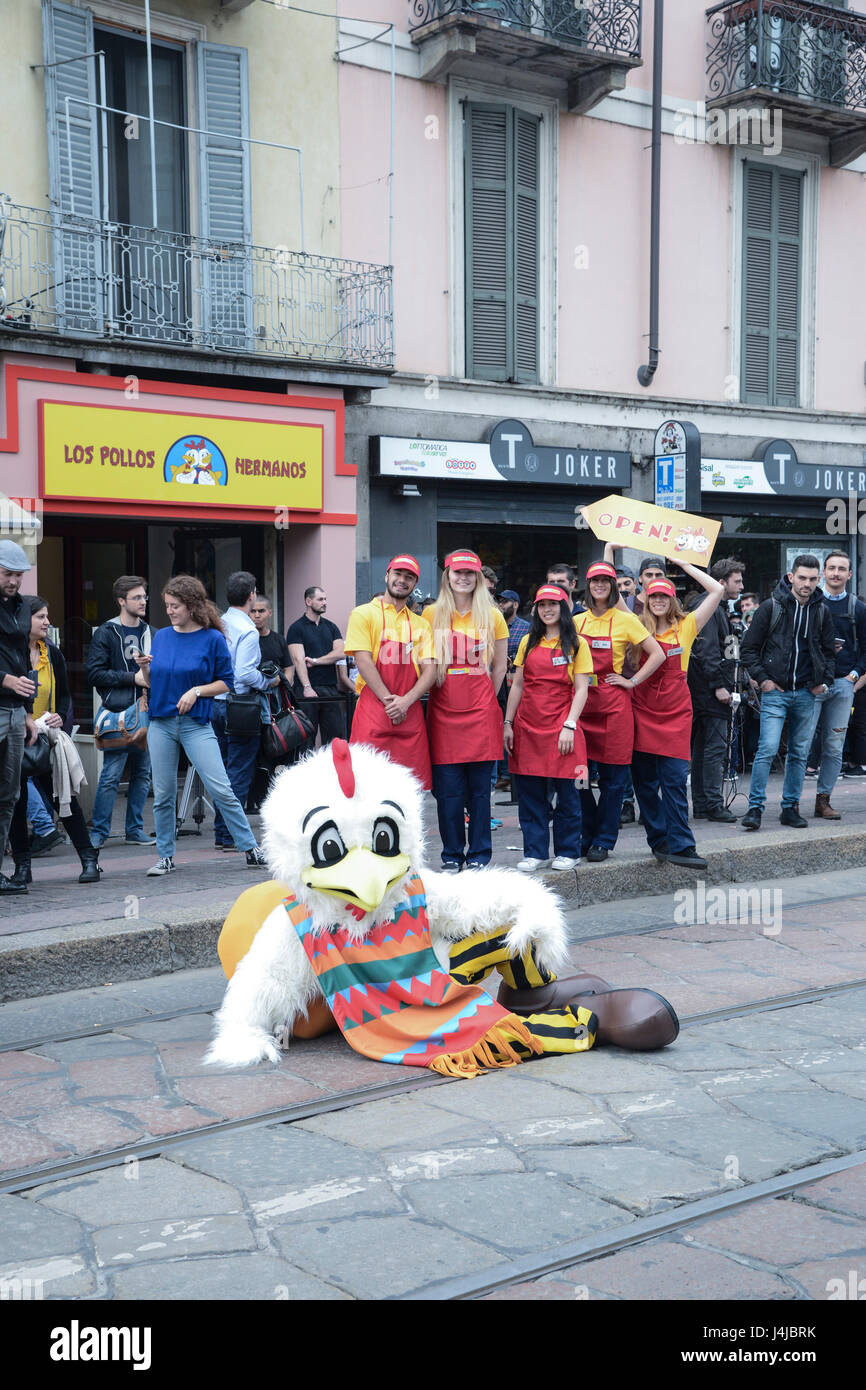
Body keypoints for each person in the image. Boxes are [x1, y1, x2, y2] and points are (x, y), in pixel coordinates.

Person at [136, 574, 267, 876]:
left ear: (192, 605)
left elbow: (227, 682)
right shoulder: (163, 636)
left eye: (175, 606)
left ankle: (250, 848)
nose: (169, 611)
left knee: (221, 788)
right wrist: (145, 669)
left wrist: (196, 691)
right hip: (161, 722)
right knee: (164, 793)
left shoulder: (213, 638)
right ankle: (165, 856)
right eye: (167, 605)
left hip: (196, 723)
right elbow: (154, 683)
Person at [628, 562, 724, 868]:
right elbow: (616, 595)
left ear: (673, 601)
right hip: (641, 709)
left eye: (664, 596)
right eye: (653, 596)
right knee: (644, 783)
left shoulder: (688, 626)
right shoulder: (635, 624)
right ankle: (659, 840)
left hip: (675, 712)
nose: (658, 601)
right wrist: (609, 548)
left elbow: (718, 589)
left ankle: (683, 845)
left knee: (673, 780)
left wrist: (683, 562)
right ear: (645, 598)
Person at [423, 550, 508, 870]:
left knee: (480, 794)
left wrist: (485, 695)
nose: (463, 578)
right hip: (443, 712)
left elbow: (500, 666)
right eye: (457, 573)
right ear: (447, 576)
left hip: (481, 713)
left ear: (478, 579)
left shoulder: (493, 615)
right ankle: (452, 855)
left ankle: (479, 856)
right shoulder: (431, 615)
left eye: (469, 573)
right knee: (448, 794)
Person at [8, 596, 101, 887]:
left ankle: (89, 860)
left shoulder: (54, 654)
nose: (47, 622)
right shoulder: (10, 654)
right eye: (41, 617)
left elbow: (63, 695)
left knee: (63, 799)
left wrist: (60, 715)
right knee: (17, 805)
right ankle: (23, 868)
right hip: (14, 737)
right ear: (25, 620)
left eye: (47, 617)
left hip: (46, 738)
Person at [739, 556, 837, 830]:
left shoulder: (821, 611)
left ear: (819, 580)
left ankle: (790, 808)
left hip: (806, 693)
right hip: (776, 692)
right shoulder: (772, 607)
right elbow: (749, 648)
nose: (807, 584)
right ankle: (755, 808)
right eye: (802, 578)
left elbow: (830, 653)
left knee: (799, 753)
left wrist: (824, 681)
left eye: (812, 579)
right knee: (767, 748)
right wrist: (763, 680)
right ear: (791, 577)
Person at [575, 561, 664, 861]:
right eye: (594, 580)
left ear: (613, 585)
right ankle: (586, 833)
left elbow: (658, 654)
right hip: (582, 703)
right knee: (579, 777)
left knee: (614, 781)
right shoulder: (576, 622)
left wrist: (632, 681)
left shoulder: (626, 620)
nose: (599, 585)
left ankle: (603, 840)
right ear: (587, 586)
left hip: (614, 705)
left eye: (605, 580)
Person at [504, 584, 592, 872]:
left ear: (563, 608)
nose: (547, 609)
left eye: (553, 604)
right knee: (530, 795)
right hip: (527, 727)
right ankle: (536, 851)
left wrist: (570, 724)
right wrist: (508, 723)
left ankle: (568, 850)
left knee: (568, 793)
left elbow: (581, 689)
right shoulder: (528, 642)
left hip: (562, 726)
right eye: (542, 605)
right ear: (536, 610)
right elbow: (517, 685)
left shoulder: (578, 644)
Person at [344, 554, 436, 788]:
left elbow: (430, 671)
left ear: (415, 585)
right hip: (373, 711)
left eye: (409, 577)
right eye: (398, 574)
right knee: (368, 784)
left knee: (410, 788)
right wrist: (391, 703)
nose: (402, 580)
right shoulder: (363, 614)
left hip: (410, 713)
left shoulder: (421, 624)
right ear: (387, 575)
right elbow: (363, 661)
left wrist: (405, 702)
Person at [87, 575, 156, 848]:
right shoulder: (106, 632)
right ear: (121, 601)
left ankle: (135, 829)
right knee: (111, 774)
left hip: (147, 710)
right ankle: (99, 832)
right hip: (118, 712)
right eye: (136, 597)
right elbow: (94, 674)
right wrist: (133, 678)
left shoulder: (152, 632)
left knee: (143, 773)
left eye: (144, 597)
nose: (143, 602)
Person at [211, 572, 277, 850]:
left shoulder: (218, 623)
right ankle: (228, 834)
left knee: (222, 770)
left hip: (215, 701)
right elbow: (246, 673)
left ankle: (220, 831)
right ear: (251, 596)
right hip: (238, 705)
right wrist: (268, 681)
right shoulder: (248, 630)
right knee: (238, 770)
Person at [806, 552, 866, 819]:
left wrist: (854, 676)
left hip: (842, 685)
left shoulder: (858, 608)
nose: (836, 573)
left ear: (849, 574)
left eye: (842, 569)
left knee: (833, 746)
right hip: (810, 685)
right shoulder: (810, 604)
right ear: (823, 573)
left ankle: (823, 801)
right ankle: (790, 802)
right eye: (831, 568)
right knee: (802, 744)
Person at [687, 557, 745, 824]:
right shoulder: (709, 606)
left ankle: (703, 803)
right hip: (708, 690)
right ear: (721, 583)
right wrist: (719, 686)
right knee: (713, 749)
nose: (742, 586)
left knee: (703, 748)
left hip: (702, 688)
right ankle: (712, 803)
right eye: (737, 581)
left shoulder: (714, 607)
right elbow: (705, 650)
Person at [0, 540, 40, 894]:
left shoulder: (21, 607)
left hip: (14, 710)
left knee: (9, 793)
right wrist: (4, 679)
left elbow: (23, 658)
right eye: (8, 574)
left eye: (18, 575)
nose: (14, 581)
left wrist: (28, 713)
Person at [287, 586, 347, 745]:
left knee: (335, 738)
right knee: (306, 740)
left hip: (330, 689)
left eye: (325, 599)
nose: (325, 603)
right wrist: (307, 687)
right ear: (308, 601)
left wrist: (315, 661)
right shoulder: (296, 628)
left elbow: (341, 653)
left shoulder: (331, 627)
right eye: (320, 599)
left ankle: (333, 769)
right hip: (306, 690)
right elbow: (299, 660)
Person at [250, 594, 293, 684]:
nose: (257, 615)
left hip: (276, 693)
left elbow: (288, 667)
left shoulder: (279, 639)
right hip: (251, 693)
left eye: (261, 611)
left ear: (270, 613)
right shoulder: (246, 639)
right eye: (253, 611)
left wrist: (285, 686)